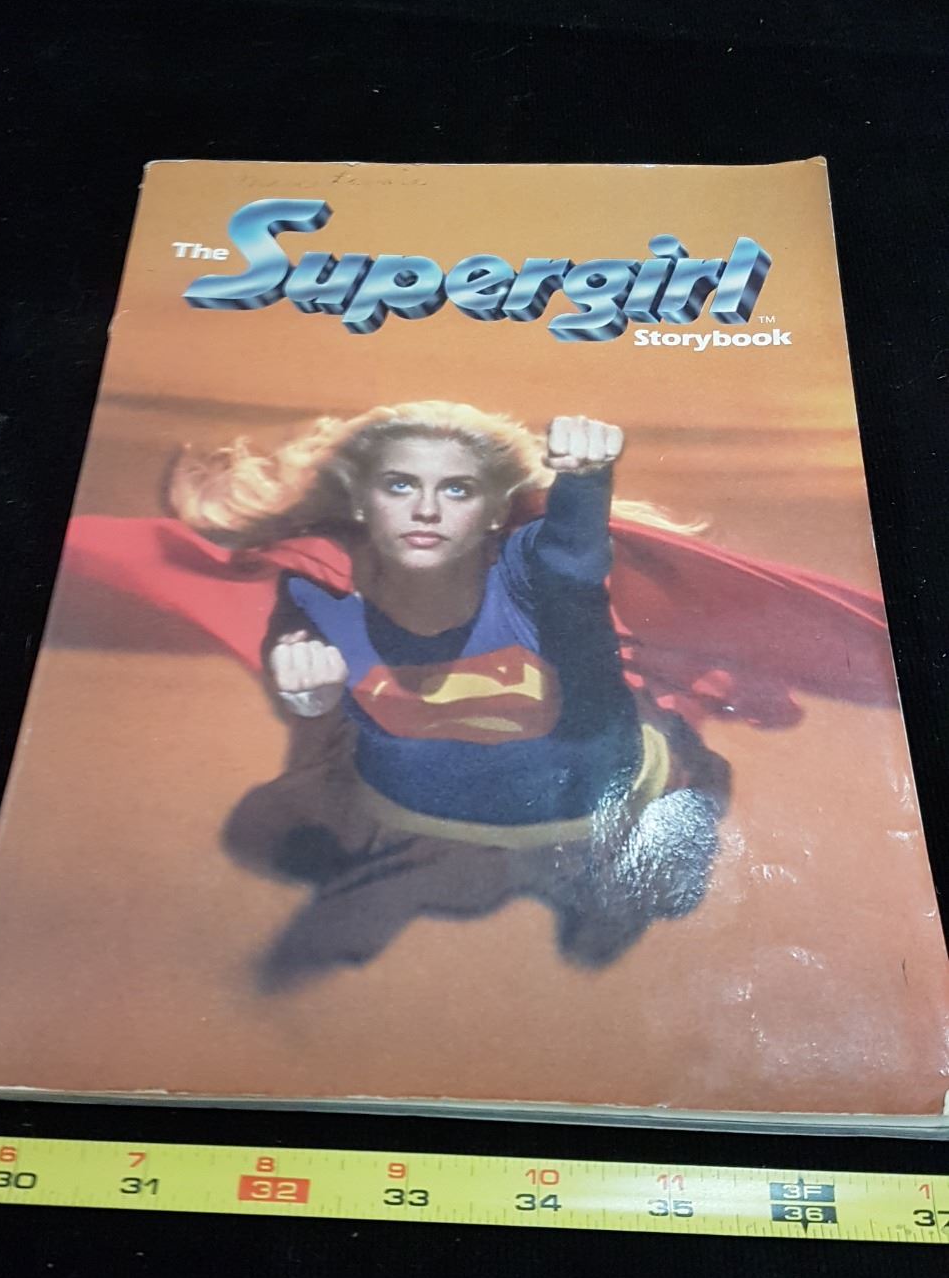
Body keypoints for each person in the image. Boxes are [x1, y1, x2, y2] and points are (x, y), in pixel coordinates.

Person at [169, 402, 729, 977]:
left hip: (592, 808)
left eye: (458, 490)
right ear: (361, 500)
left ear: (494, 510)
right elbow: (308, 677)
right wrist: (306, 693)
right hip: (423, 817)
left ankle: (613, 876)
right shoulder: (317, 584)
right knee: (259, 833)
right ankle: (428, 876)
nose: (427, 510)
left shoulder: (528, 570)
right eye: (400, 485)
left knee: (657, 891)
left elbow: (573, 553)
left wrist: (586, 482)